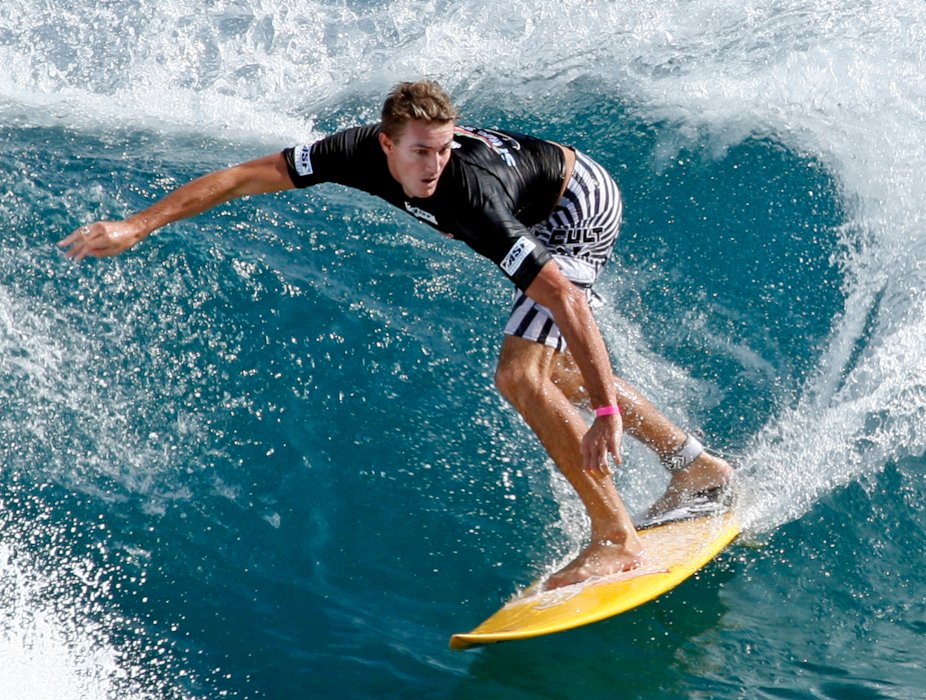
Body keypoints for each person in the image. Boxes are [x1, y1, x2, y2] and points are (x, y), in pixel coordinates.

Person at [59, 80, 734, 589]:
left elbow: (564, 298)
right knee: (550, 372)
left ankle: (614, 536)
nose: (433, 164)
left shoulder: (469, 196)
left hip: (578, 207)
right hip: (544, 189)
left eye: (443, 147)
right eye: (419, 151)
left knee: (519, 373)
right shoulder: (350, 151)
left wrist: (608, 413)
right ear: (384, 144)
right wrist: (138, 225)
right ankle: (696, 467)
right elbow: (245, 176)